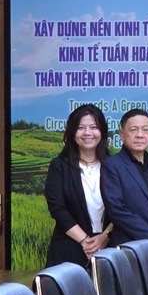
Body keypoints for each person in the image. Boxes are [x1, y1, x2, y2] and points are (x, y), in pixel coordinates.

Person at [44, 103, 113, 266]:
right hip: (69, 249)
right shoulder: (59, 166)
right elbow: (58, 208)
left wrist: (105, 237)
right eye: (81, 127)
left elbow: (122, 206)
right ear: (72, 132)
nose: (87, 133)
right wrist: (86, 242)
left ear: (102, 131)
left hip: (108, 247)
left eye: (94, 127)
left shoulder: (114, 165)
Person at [101, 107, 148, 244]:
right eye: (134, 130)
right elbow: (116, 210)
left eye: (145, 130)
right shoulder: (112, 165)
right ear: (122, 134)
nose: (140, 135)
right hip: (130, 246)